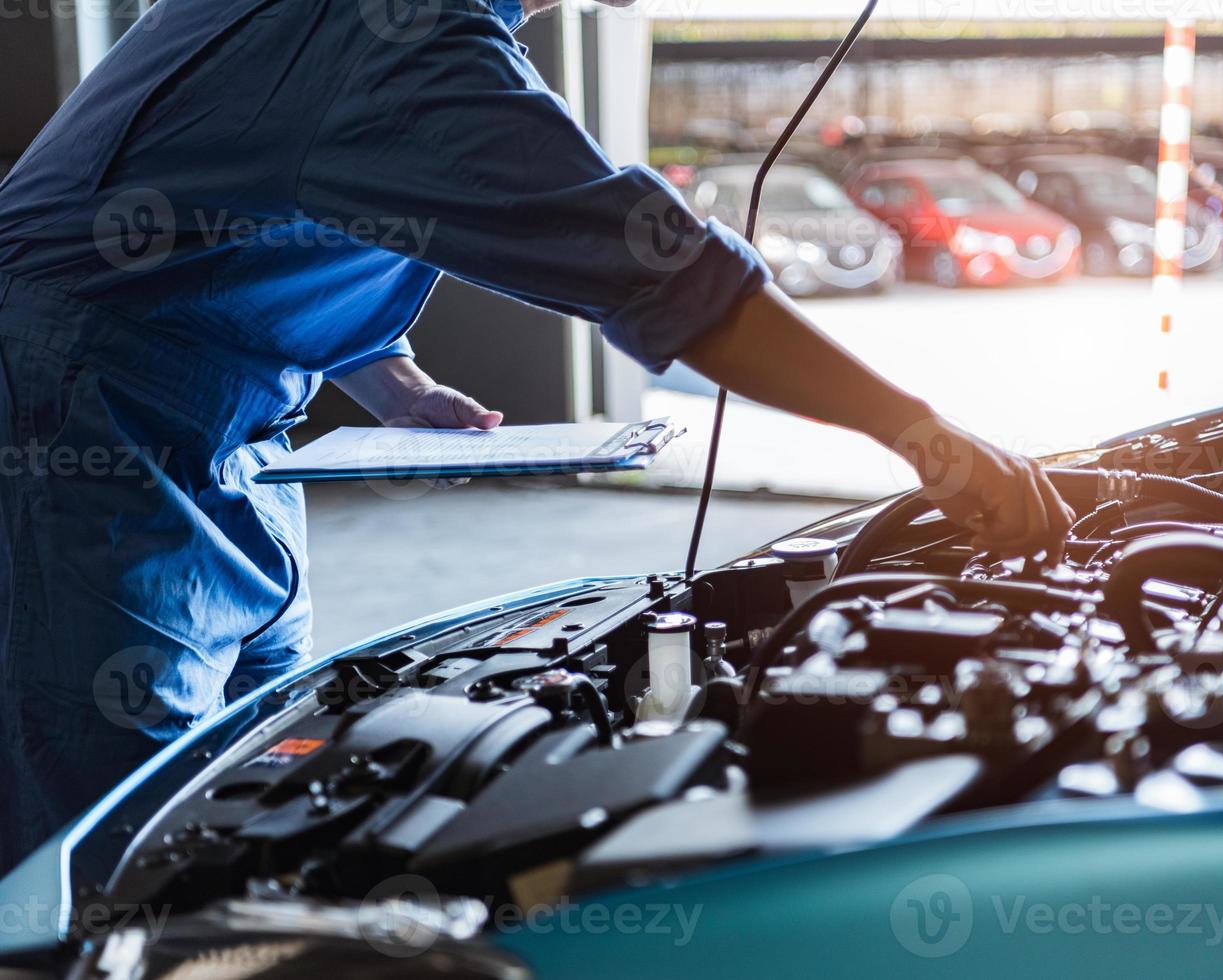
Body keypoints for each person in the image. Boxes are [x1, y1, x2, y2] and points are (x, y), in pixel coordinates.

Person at [0, 0, 1072, 873]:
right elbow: (670, 278)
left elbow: (225, 205)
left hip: (205, 415)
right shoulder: (399, 42)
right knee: (111, 830)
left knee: (256, 773)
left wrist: (385, 372)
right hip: (78, 417)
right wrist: (922, 432)